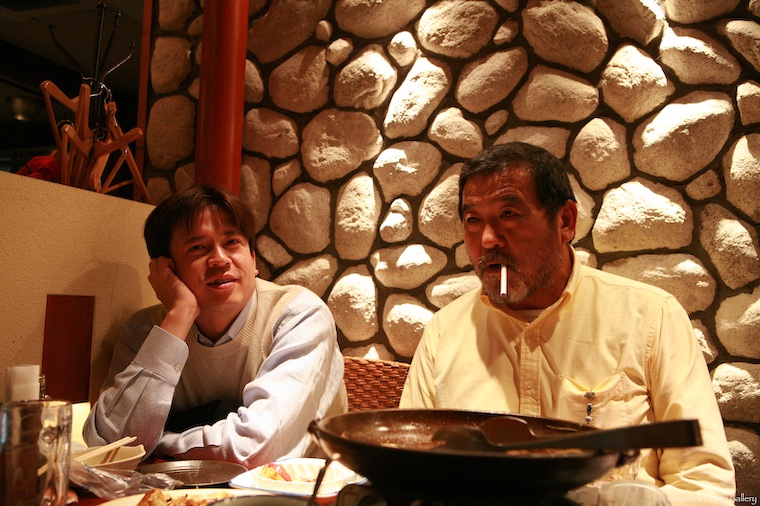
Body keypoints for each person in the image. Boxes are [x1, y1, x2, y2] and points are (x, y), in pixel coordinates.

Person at [400, 142, 735, 504]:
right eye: (473, 220)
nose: (488, 239)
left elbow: (706, 485)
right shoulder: (444, 331)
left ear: (565, 222)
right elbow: (409, 469)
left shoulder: (652, 316)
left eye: (509, 214)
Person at [84, 184, 346, 467]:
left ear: (253, 259)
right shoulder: (146, 331)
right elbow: (109, 446)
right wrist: (179, 316)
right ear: (166, 269)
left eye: (232, 242)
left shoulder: (298, 316)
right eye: (197, 247)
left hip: (305, 487)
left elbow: (256, 450)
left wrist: (158, 444)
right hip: (173, 489)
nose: (220, 260)